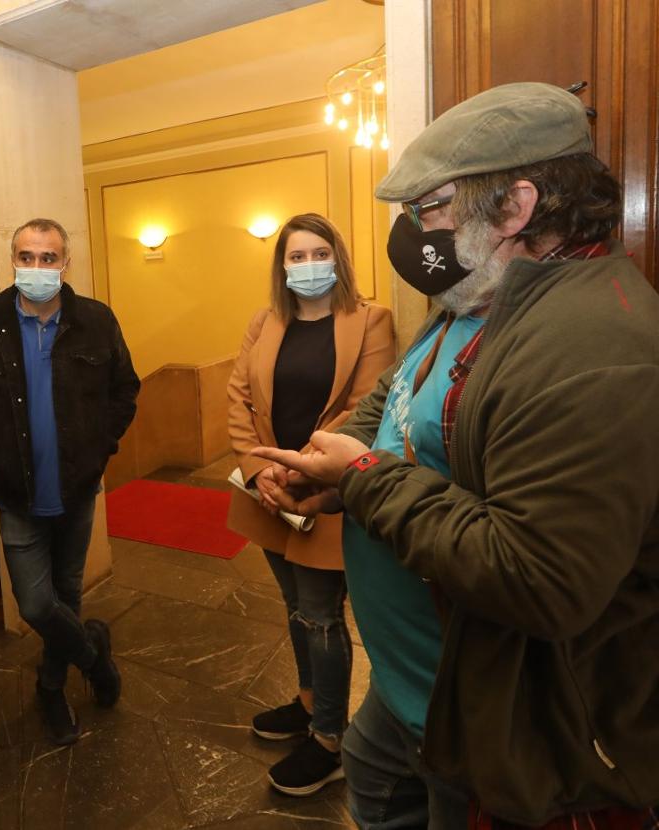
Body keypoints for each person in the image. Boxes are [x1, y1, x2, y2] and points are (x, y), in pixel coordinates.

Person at [252, 82, 659, 829]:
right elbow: (399, 398)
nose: (412, 236)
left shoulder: (590, 344)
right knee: (373, 790)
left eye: (428, 209)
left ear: (516, 207)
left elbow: (538, 578)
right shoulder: (476, 300)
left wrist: (363, 478)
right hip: (410, 685)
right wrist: (327, 471)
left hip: (493, 715)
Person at [0, 218, 140, 745]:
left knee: (66, 594)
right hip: (17, 492)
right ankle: (93, 656)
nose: (37, 268)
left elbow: (125, 390)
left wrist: (100, 446)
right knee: (35, 605)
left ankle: (50, 688)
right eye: (27, 257)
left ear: (65, 263)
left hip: (77, 489)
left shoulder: (96, 320)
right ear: (13, 261)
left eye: (49, 258)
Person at [226, 213, 395, 796]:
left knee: (322, 615)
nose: (306, 266)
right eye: (294, 257)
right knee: (294, 604)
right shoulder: (264, 322)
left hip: (322, 493)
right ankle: (306, 702)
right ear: (281, 267)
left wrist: (295, 470)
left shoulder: (370, 320)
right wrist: (257, 471)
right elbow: (239, 396)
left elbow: (366, 407)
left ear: (338, 258)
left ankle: (329, 740)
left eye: (317, 253)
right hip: (266, 493)